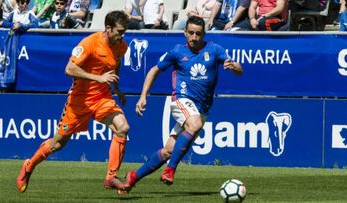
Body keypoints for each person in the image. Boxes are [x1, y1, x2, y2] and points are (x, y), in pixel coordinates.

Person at [120, 15, 243, 193]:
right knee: (195, 124)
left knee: (169, 149)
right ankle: (170, 170)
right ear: (185, 33)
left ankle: (133, 177)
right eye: (191, 33)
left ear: (204, 34)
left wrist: (236, 67)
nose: (194, 37)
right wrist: (143, 96)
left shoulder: (215, 50)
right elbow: (154, 71)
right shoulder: (177, 52)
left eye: (198, 34)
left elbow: (238, 69)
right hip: (181, 100)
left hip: (202, 107)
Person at [16, 10, 131, 194]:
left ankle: (111, 177)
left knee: (122, 128)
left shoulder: (121, 46)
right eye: (119, 31)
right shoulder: (90, 44)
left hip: (102, 98)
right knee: (58, 144)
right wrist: (98, 78)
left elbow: (116, 64)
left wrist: (116, 88)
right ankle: (29, 165)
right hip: (79, 101)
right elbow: (69, 69)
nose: (122, 35)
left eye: (124, 31)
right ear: (108, 28)